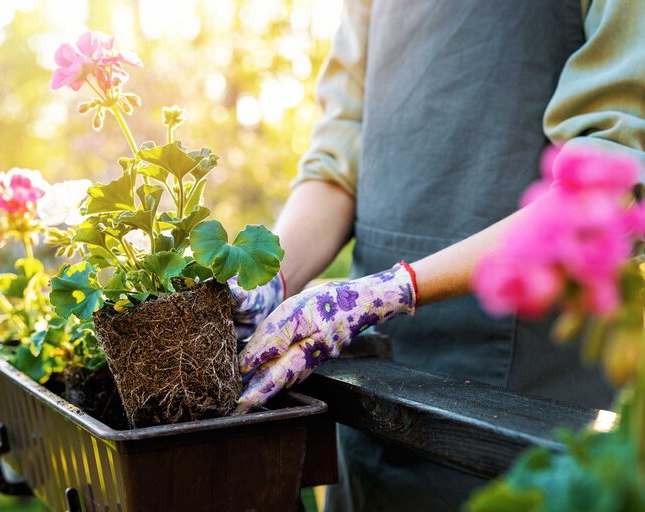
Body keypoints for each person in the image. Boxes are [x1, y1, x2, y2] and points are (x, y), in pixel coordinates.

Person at [230, 1, 645, 510]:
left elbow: (610, 184)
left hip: (515, 406)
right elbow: (336, 164)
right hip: (368, 383)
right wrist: (270, 281)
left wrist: (390, 290)